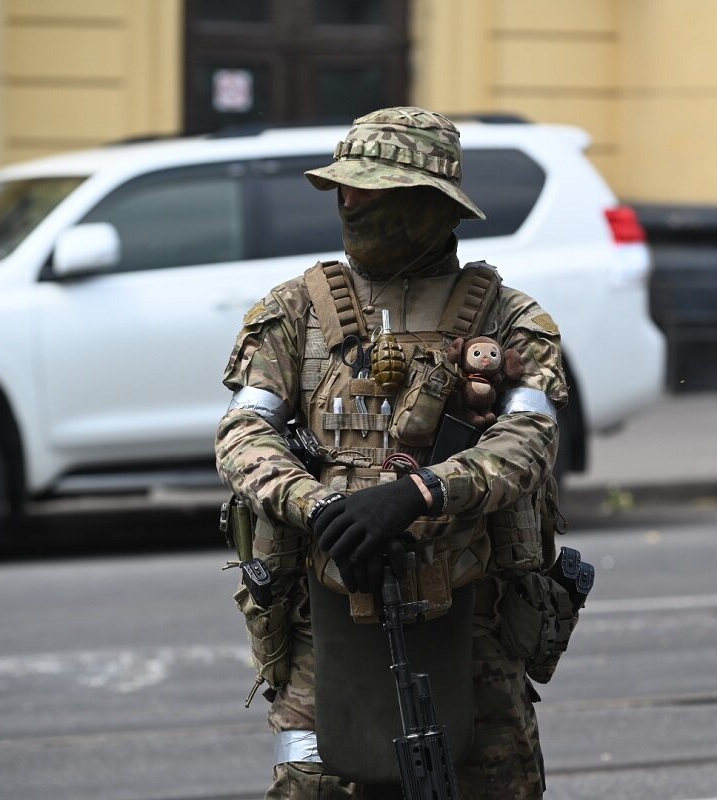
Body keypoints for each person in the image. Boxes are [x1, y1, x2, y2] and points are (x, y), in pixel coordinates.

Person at [215, 106, 569, 799]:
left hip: (471, 619)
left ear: (431, 205)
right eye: (346, 188)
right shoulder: (294, 311)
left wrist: (423, 491)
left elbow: (529, 440)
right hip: (330, 618)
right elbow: (241, 435)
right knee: (312, 784)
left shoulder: (509, 320)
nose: (351, 203)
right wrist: (318, 507)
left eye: (374, 191)